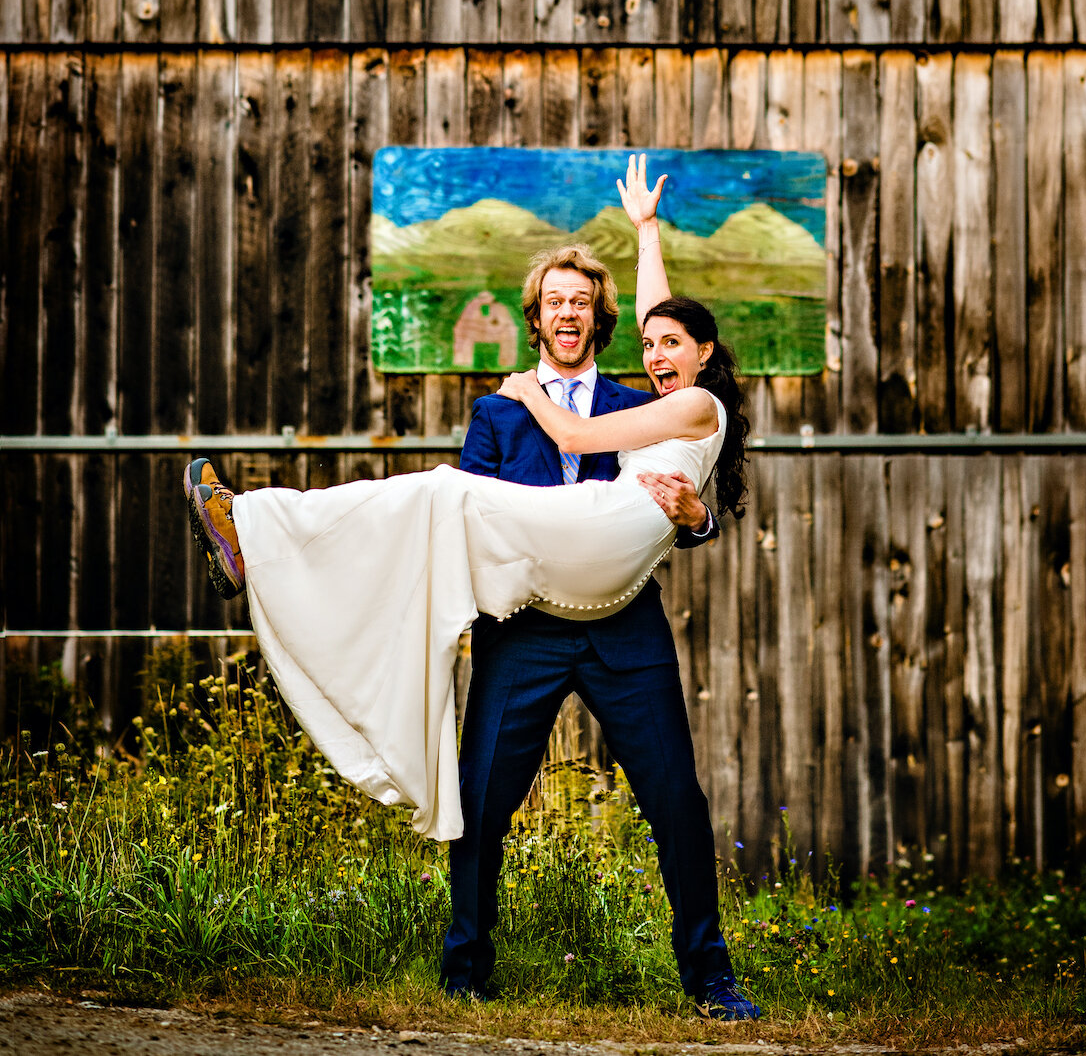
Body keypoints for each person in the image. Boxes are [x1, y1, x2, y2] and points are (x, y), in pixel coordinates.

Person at [184, 156, 759, 1021]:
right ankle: (466, 970)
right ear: (535, 319)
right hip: (524, 623)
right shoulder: (496, 413)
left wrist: (697, 518)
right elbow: (473, 517)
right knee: (482, 798)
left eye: (581, 302)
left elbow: (673, 402)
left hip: (622, 622)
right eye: (554, 302)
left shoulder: (648, 397)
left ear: (598, 318)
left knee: (676, 795)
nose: (570, 312)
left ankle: (711, 979)